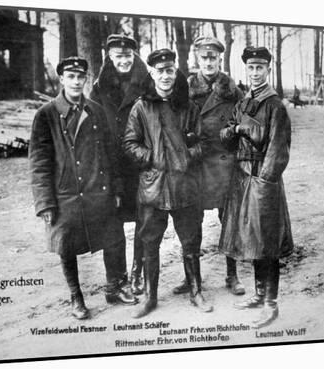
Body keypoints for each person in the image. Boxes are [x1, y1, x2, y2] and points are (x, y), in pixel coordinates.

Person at [29, 56, 137, 320]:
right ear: (61, 79)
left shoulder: (96, 111)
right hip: (65, 193)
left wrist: (118, 189)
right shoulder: (47, 114)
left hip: (98, 189)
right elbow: (39, 162)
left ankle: (115, 286)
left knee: (114, 238)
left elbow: (111, 153)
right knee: (66, 245)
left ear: (86, 79)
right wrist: (44, 202)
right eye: (71, 77)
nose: (76, 82)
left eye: (81, 77)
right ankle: (76, 295)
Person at [123, 49, 213, 318]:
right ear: (151, 73)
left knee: (191, 241)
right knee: (150, 243)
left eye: (170, 70)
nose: (165, 76)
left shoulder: (188, 106)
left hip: (185, 185)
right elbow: (129, 143)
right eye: (160, 71)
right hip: (153, 188)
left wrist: (186, 156)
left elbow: (204, 142)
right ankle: (150, 297)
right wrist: (152, 157)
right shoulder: (141, 107)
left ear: (176, 72)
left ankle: (196, 291)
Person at [219, 47, 293, 328]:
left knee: (268, 242)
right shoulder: (243, 101)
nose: (254, 73)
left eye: (259, 68)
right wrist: (236, 130)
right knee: (252, 240)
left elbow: (278, 149)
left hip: (263, 180)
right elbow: (225, 137)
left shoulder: (274, 104)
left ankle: (271, 304)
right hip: (242, 177)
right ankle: (259, 295)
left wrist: (265, 180)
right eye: (250, 68)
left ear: (267, 70)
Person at [172, 36, 246, 296]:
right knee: (190, 224)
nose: (209, 62)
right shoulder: (184, 88)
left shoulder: (232, 90)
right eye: (204, 57)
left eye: (213, 57)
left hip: (225, 165)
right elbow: (175, 123)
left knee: (229, 221)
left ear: (220, 59)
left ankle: (232, 275)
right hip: (194, 166)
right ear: (197, 58)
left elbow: (244, 125)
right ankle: (192, 278)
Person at [90, 35, 149, 295]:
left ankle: (138, 273)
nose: (123, 61)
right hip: (111, 166)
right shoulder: (98, 87)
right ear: (109, 58)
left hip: (140, 165)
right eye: (117, 56)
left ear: (134, 56)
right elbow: (93, 126)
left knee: (144, 221)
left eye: (127, 56)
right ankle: (116, 278)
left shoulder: (148, 83)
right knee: (111, 225)